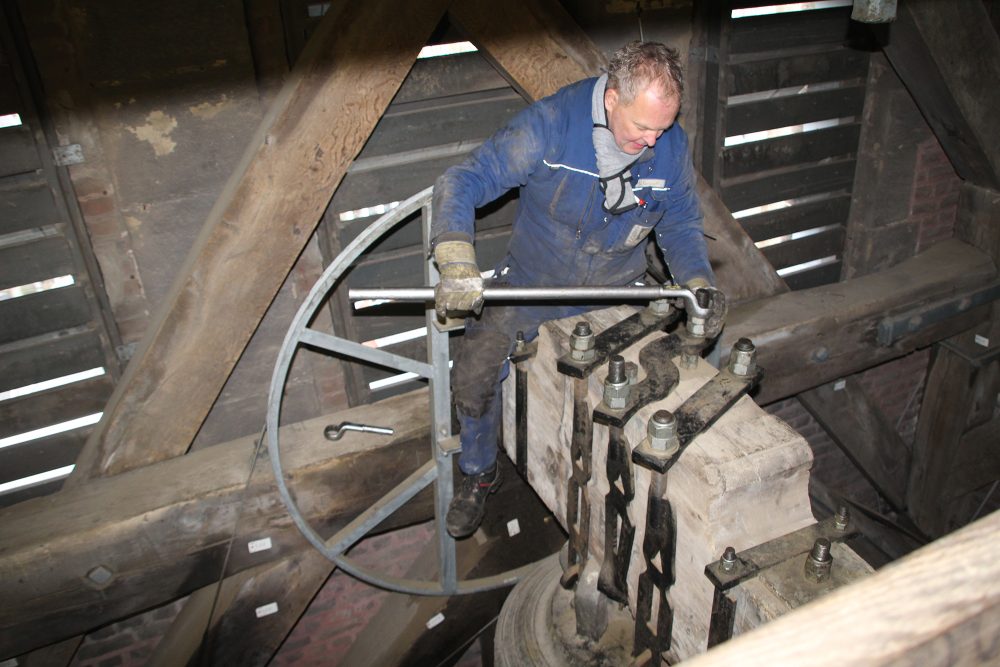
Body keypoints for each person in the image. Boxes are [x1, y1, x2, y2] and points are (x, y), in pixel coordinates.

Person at [430, 41, 721, 539]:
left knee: (656, 391)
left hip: (620, 295)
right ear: (611, 98)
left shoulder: (668, 149)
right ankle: (479, 473)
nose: (653, 142)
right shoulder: (549, 126)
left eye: (663, 128)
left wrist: (698, 282)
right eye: (642, 127)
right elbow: (465, 180)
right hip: (532, 287)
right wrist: (456, 258)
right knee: (475, 369)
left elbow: (680, 225)